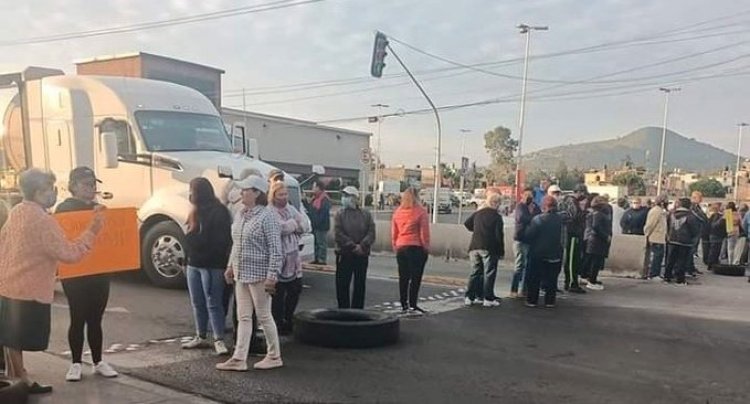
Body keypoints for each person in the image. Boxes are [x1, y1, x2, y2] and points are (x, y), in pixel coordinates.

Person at [0, 168, 105, 394]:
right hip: (29, 289)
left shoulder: (17, 210)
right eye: (50, 189)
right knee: (19, 338)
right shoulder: (42, 221)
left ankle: (19, 379)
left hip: (8, 284)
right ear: (39, 192)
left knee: (10, 338)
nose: (54, 194)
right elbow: (70, 254)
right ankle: (20, 384)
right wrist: (92, 231)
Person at [54, 167, 119, 382]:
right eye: (86, 184)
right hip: (75, 272)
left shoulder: (100, 208)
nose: (91, 188)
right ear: (73, 186)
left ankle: (98, 360)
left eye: (93, 184)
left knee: (96, 318)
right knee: (78, 316)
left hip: (99, 271)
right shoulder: (64, 209)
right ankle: (75, 362)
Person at [217, 175, 283, 372]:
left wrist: (272, 275)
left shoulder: (268, 216)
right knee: (243, 316)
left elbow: (275, 249)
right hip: (241, 272)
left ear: (257, 193)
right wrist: (230, 266)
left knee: (263, 315)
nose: (241, 193)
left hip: (260, 273)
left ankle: (274, 355)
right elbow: (237, 244)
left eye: (246, 189)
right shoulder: (241, 214)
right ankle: (239, 357)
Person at [182, 177, 232, 355]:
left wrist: (192, 242)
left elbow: (219, 241)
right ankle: (201, 335)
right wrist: (186, 259)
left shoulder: (219, 212)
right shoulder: (194, 211)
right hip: (194, 264)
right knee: (197, 302)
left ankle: (219, 338)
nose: (190, 195)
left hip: (212, 265)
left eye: (192, 191)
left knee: (213, 302)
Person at [269, 181, 310, 335]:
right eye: (281, 195)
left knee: (295, 289)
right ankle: (277, 322)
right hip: (278, 255)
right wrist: (293, 224)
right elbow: (281, 228)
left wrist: (293, 225)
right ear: (273, 196)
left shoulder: (291, 209)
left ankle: (288, 317)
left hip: (293, 256)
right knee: (278, 293)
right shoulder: (270, 211)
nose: (284, 197)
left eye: (286, 194)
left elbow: (304, 225)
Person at [334, 186, 376, 309]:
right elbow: (338, 234)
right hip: (345, 254)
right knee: (342, 284)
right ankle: (343, 310)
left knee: (360, 285)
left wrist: (362, 245)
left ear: (354, 198)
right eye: (344, 196)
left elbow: (371, 232)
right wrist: (352, 246)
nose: (344, 199)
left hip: (361, 255)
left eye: (347, 196)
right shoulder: (340, 214)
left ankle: (358, 311)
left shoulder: (366, 214)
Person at [391, 188, 430, 314]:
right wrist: (426, 248)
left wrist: (395, 246)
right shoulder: (420, 212)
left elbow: (394, 232)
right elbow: (424, 233)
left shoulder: (397, 212)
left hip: (401, 247)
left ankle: (404, 303)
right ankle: (413, 303)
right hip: (416, 248)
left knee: (403, 277)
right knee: (415, 277)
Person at [464, 192, 505, 307]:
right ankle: (488, 298)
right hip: (488, 247)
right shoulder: (496, 217)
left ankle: (470, 297)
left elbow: (467, 223)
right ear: (496, 203)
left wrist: (477, 229)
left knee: (475, 272)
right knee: (489, 273)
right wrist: (501, 251)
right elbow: (499, 235)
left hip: (474, 246)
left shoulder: (478, 213)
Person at [523, 196, 564, 308]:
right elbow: (563, 238)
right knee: (552, 279)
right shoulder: (560, 220)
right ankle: (550, 301)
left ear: (544, 206)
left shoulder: (538, 219)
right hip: (555, 253)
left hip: (538, 253)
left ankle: (532, 300)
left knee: (535, 278)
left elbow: (528, 235)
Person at [664, 198, 702, 285]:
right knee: (682, 260)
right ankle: (680, 279)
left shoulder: (672, 214)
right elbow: (694, 230)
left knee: (671, 259)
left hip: (672, 239)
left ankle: (667, 276)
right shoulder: (690, 216)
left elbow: (668, 225)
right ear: (689, 205)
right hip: (685, 241)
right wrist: (692, 237)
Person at [511, 187, 540, 298]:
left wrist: (533, 214)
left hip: (530, 239)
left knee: (528, 266)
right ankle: (513, 290)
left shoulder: (536, 207)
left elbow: (538, 219)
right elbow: (521, 218)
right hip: (520, 238)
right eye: (526, 195)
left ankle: (524, 290)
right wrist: (532, 216)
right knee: (519, 265)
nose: (528, 198)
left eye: (531, 196)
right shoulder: (520, 206)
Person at [560, 184, 589, 294]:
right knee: (572, 260)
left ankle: (571, 282)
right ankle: (572, 283)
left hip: (576, 233)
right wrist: (584, 212)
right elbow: (573, 216)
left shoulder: (571, 201)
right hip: (573, 234)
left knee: (575, 259)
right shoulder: (571, 201)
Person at [583, 196, 612, 291]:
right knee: (596, 261)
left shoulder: (594, 213)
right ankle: (592, 280)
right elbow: (596, 226)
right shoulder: (599, 214)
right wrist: (605, 236)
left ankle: (590, 278)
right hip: (597, 241)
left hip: (593, 240)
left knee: (592, 260)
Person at [644, 195, 668, 280]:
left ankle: (656, 273)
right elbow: (650, 225)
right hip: (655, 237)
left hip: (660, 237)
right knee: (657, 257)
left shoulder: (661, 211)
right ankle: (653, 274)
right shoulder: (656, 211)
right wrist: (646, 235)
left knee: (659, 256)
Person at [309, 180, 332, 265]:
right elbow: (310, 209)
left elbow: (323, 213)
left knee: (321, 243)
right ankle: (316, 258)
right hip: (315, 225)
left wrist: (316, 222)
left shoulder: (324, 199)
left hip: (321, 225)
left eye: (314, 187)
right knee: (316, 243)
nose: (313, 189)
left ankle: (322, 259)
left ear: (319, 188)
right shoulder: (315, 198)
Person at [688, 191, 708, 276]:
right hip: (693, 231)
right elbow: (701, 217)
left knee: (693, 250)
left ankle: (691, 267)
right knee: (691, 250)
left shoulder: (697, 207)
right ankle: (689, 268)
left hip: (697, 231)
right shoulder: (692, 207)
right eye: (700, 197)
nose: (701, 199)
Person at [706, 203, 726, 271]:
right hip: (716, 235)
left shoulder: (716, 215)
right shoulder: (716, 216)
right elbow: (715, 225)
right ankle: (711, 264)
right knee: (714, 250)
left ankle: (713, 263)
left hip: (716, 235)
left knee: (716, 250)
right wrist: (722, 219)